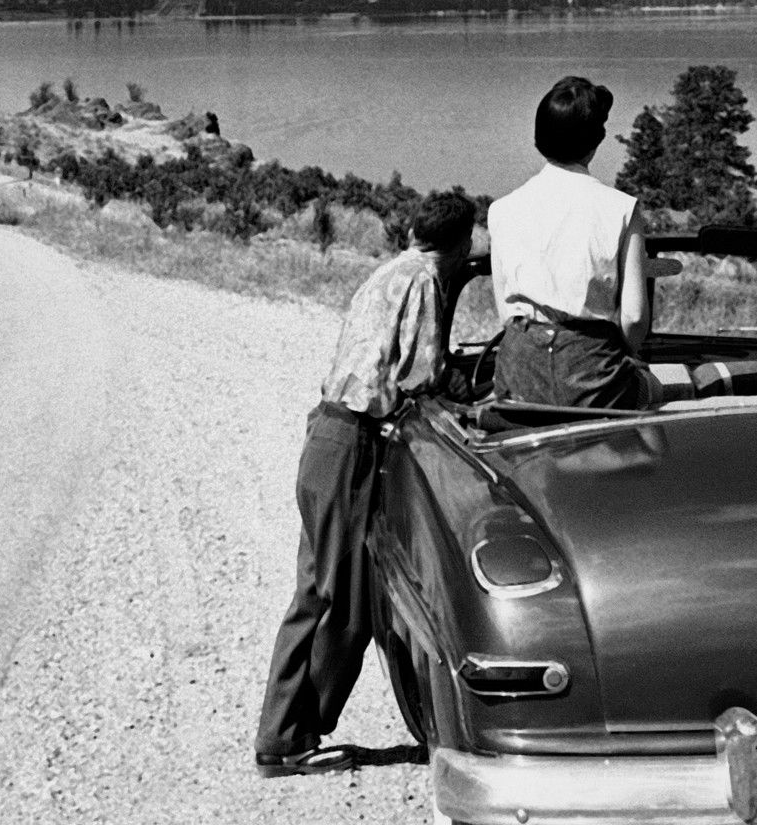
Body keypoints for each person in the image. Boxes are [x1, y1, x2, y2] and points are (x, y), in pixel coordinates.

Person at [254, 190, 478, 778]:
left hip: (326, 435)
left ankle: (282, 735)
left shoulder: (386, 273)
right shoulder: (425, 280)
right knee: (344, 602)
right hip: (353, 442)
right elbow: (422, 376)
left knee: (317, 591)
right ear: (462, 243)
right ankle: (292, 740)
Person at [487, 76, 659, 409]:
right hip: (594, 373)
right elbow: (635, 317)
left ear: (539, 138)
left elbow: (506, 314)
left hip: (519, 375)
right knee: (653, 389)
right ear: (596, 141)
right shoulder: (623, 209)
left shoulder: (501, 210)